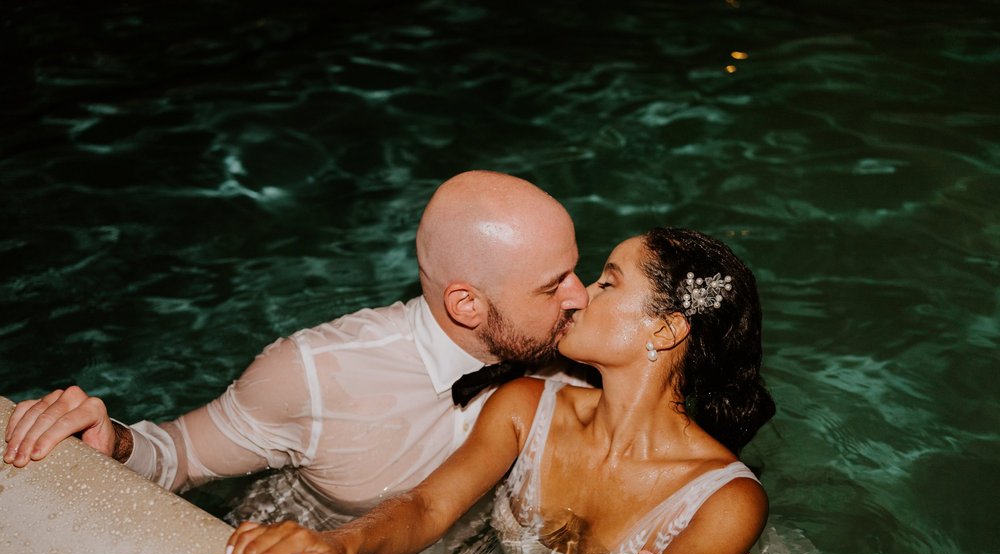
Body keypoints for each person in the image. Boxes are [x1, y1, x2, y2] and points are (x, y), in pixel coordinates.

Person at [219, 228, 776, 554]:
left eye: (608, 283)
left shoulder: (724, 501)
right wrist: (338, 546)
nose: (579, 295)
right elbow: (428, 505)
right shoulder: (526, 405)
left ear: (665, 331)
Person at [2, 170, 588, 525]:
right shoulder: (315, 372)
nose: (580, 297)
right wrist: (114, 439)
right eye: (552, 284)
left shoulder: (577, 349)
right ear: (466, 306)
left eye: (576, 272)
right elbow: (178, 457)